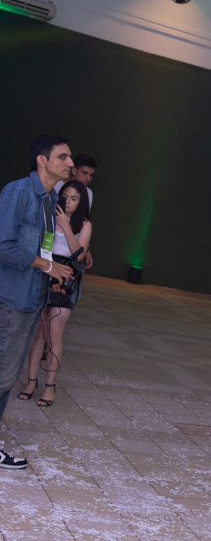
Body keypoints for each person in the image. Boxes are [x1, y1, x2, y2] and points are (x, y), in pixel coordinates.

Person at [0, 135, 75, 469]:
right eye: (63, 157)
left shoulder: (50, 199)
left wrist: (52, 270)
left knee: (7, 374)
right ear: (42, 161)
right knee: (2, 374)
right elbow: (3, 245)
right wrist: (46, 265)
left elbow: (42, 246)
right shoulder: (19, 192)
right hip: (11, 297)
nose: (70, 163)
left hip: (32, 298)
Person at [18, 180, 92, 407]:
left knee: (54, 331)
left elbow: (79, 254)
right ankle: (31, 381)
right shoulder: (49, 217)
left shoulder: (84, 224)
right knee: (38, 330)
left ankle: (50, 385)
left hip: (68, 276)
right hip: (46, 271)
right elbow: (42, 248)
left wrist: (66, 226)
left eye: (74, 199)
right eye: (65, 196)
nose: (68, 202)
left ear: (81, 202)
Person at [54, 154, 95, 269]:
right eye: (84, 173)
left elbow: (83, 217)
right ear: (74, 170)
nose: (87, 178)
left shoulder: (88, 193)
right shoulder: (55, 185)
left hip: (72, 252)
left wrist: (87, 249)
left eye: (91, 175)